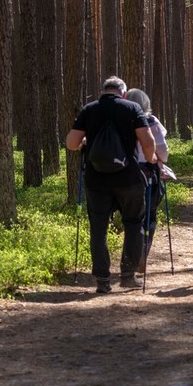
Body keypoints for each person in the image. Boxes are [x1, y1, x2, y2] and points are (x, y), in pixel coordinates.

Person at [66, 76, 157, 294]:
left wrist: (85, 144)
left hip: (96, 180)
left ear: (103, 92)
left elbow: (71, 143)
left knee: (98, 229)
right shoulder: (132, 108)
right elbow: (148, 140)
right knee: (133, 223)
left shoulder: (89, 109)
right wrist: (151, 159)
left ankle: (103, 281)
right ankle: (128, 276)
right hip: (129, 179)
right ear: (123, 93)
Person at [124, 88, 169, 272]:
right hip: (149, 173)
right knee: (150, 214)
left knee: (132, 217)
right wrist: (159, 159)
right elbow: (163, 152)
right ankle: (142, 253)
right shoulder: (151, 121)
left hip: (126, 173)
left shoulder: (122, 121)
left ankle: (131, 257)